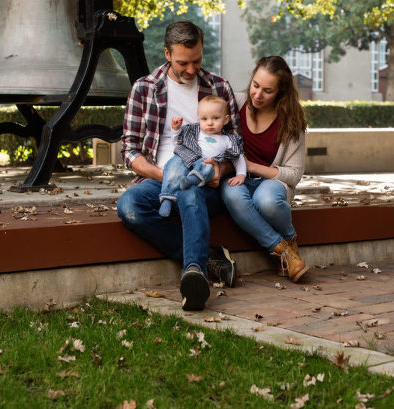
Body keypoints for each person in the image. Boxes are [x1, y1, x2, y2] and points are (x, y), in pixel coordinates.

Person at [116, 21, 240, 311]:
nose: (191, 69)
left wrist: (220, 172)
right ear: (167, 54)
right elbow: (130, 149)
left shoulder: (218, 87)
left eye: (197, 61)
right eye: (183, 62)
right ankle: (208, 258)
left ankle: (193, 273)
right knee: (129, 205)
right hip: (159, 179)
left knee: (188, 191)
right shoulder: (144, 88)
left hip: (204, 182)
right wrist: (164, 175)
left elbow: (236, 147)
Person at [220, 56, 309, 282]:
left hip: (271, 183)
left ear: (280, 92)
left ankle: (290, 237)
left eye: (267, 90)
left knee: (266, 201)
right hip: (236, 178)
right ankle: (286, 252)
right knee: (232, 195)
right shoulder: (236, 103)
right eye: (255, 85)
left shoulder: (291, 120)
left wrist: (251, 166)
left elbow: (294, 174)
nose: (258, 95)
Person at [159, 95, 246, 217]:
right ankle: (167, 198)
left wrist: (241, 175)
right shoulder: (194, 132)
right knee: (174, 166)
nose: (209, 123)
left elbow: (238, 157)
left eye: (215, 118)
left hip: (207, 164)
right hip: (187, 160)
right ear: (199, 119)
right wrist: (176, 130)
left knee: (208, 166)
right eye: (204, 119)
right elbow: (177, 145)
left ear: (226, 120)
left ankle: (191, 180)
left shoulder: (228, 139)